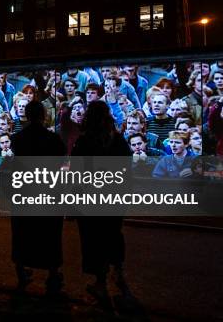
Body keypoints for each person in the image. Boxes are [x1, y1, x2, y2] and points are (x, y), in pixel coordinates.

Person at [71, 101, 132, 303]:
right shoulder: (119, 141)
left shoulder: (85, 141)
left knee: (94, 240)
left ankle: (101, 283)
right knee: (113, 234)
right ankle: (119, 271)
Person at [9, 100, 67, 294]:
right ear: (43, 115)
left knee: (22, 233)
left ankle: (21, 272)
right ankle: (52, 274)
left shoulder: (18, 138)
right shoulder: (53, 139)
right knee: (49, 234)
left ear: (27, 115)